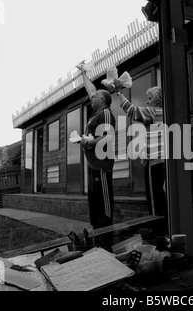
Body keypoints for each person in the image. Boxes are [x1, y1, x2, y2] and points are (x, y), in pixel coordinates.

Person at [113, 81, 168, 235]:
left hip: (156, 162)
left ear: (156, 100)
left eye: (149, 98)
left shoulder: (153, 111)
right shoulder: (166, 114)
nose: (147, 101)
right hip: (164, 160)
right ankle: (165, 230)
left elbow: (132, 110)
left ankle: (160, 233)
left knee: (155, 199)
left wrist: (119, 92)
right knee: (160, 196)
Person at [77, 63, 116, 233]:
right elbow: (91, 90)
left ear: (102, 100)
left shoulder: (105, 113)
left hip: (102, 166)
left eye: (95, 98)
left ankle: (106, 236)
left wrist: (88, 143)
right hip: (93, 166)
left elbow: (108, 136)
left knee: (103, 203)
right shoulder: (95, 115)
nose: (91, 98)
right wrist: (83, 74)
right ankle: (97, 235)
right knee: (94, 202)